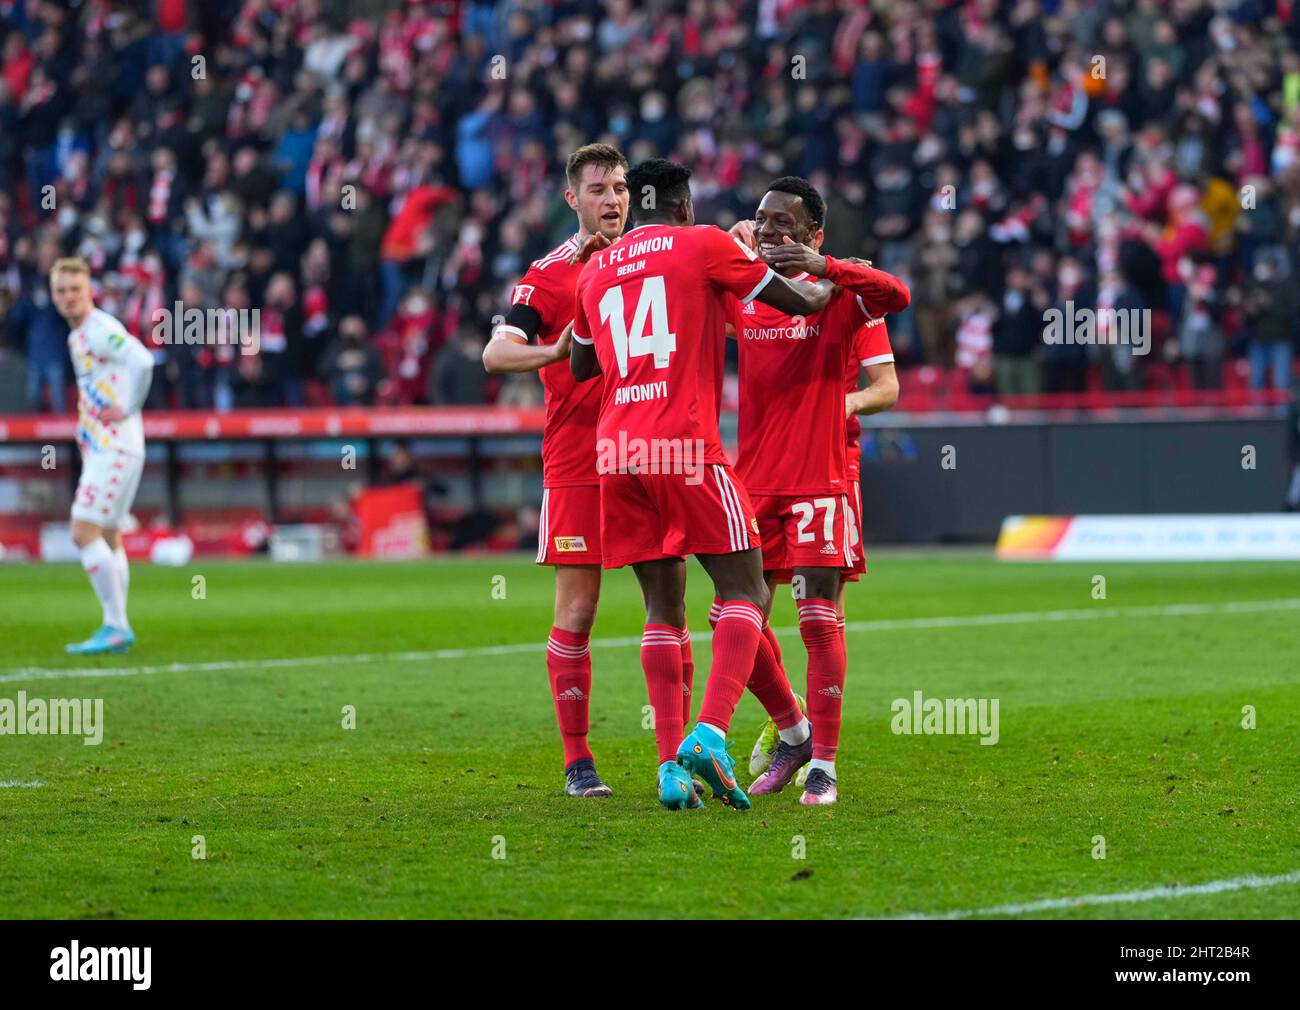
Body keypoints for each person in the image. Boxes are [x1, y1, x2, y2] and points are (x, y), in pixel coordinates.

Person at [568, 158, 836, 810]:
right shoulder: (704, 243)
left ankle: (669, 767)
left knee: (663, 608)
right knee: (743, 588)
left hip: (618, 452)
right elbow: (798, 299)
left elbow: (581, 363)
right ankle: (711, 733)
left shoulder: (596, 268)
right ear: (684, 207)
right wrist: (829, 281)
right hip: (685, 444)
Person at [724, 177, 909, 805]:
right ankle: (793, 726)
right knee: (733, 622)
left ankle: (824, 763)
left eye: (784, 223)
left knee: (820, 622)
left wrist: (828, 269)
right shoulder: (745, 292)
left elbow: (898, 302)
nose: (770, 231)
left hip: (824, 475)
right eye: (760, 219)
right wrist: (723, 248)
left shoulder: (843, 294)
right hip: (753, 482)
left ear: (814, 234)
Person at [480, 144, 630, 799]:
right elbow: (494, 354)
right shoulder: (548, 275)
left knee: (675, 603)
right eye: (599, 189)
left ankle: (677, 753)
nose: (612, 200)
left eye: (621, 187)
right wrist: (557, 352)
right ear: (573, 198)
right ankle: (577, 762)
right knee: (579, 610)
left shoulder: (644, 259)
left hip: (648, 452)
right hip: (578, 463)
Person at [54, 258, 154, 655]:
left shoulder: (99, 329)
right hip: (112, 445)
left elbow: (143, 360)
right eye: (61, 291)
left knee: (83, 531)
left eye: (75, 289)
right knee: (110, 536)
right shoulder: (77, 337)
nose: (68, 298)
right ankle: (117, 626)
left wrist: (129, 404)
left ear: (89, 290)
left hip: (114, 446)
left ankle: (115, 625)